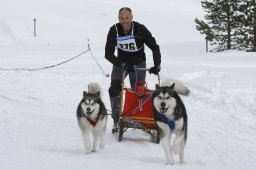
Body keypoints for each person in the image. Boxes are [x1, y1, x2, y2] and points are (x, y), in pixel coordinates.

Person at [105, 7, 161, 133]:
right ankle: (116, 121)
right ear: (118, 18)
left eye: (127, 18)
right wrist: (122, 65)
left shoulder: (140, 29)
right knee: (114, 89)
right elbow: (108, 54)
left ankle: (138, 118)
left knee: (139, 91)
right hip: (121, 63)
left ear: (132, 17)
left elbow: (154, 47)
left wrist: (157, 65)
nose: (124, 21)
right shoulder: (114, 30)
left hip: (138, 63)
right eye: (122, 18)